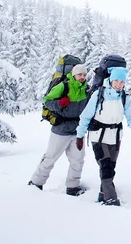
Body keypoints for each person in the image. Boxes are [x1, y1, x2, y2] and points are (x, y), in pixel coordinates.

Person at [76, 66, 131, 206]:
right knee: (105, 166)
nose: (119, 84)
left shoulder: (124, 97)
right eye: (116, 80)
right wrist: (80, 136)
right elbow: (86, 116)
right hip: (98, 136)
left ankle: (102, 193)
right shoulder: (99, 95)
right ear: (111, 80)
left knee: (111, 166)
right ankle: (110, 199)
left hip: (116, 136)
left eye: (122, 82)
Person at [29, 64, 89, 196]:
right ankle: (36, 182)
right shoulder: (64, 86)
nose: (82, 77)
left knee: (78, 160)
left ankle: (73, 187)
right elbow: (46, 101)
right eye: (80, 75)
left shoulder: (87, 89)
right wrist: (60, 104)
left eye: (84, 75)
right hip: (61, 129)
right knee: (50, 157)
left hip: (78, 130)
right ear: (73, 75)